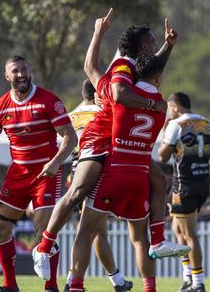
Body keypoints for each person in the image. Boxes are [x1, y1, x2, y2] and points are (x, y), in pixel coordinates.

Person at [34, 8, 187, 283]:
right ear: (141, 45)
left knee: (158, 179)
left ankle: (157, 241)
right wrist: (154, 104)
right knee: (78, 191)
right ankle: (44, 247)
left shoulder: (132, 73)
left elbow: (102, 69)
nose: (154, 45)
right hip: (100, 139)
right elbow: (121, 92)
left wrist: (168, 46)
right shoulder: (123, 67)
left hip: (120, 142)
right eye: (152, 40)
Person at [69, 51, 167, 292]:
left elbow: (90, 67)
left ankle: (76, 285)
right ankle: (143, 284)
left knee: (89, 231)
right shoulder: (159, 106)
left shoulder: (80, 113)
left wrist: (98, 33)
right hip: (136, 173)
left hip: (101, 173)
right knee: (138, 238)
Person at [0, 55, 78, 292]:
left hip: (46, 172)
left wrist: (54, 164)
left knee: (44, 227)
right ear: (7, 76)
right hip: (18, 173)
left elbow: (70, 137)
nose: (21, 74)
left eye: (24, 69)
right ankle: (10, 285)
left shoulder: (48, 101)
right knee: (0, 228)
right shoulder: (0, 106)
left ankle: (50, 286)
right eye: (15, 71)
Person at [63, 79, 132, 291]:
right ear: (98, 93)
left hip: (77, 173)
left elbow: (63, 148)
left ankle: (117, 281)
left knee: (97, 231)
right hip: (98, 173)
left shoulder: (71, 117)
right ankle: (72, 283)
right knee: (87, 230)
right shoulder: (104, 114)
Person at [157, 91, 210, 292]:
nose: (168, 112)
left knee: (189, 235)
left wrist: (164, 133)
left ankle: (198, 283)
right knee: (177, 230)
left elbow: (162, 157)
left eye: (169, 108)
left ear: (175, 106)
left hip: (184, 185)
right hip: (203, 183)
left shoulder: (175, 124)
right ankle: (188, 278)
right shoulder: (209, 124)